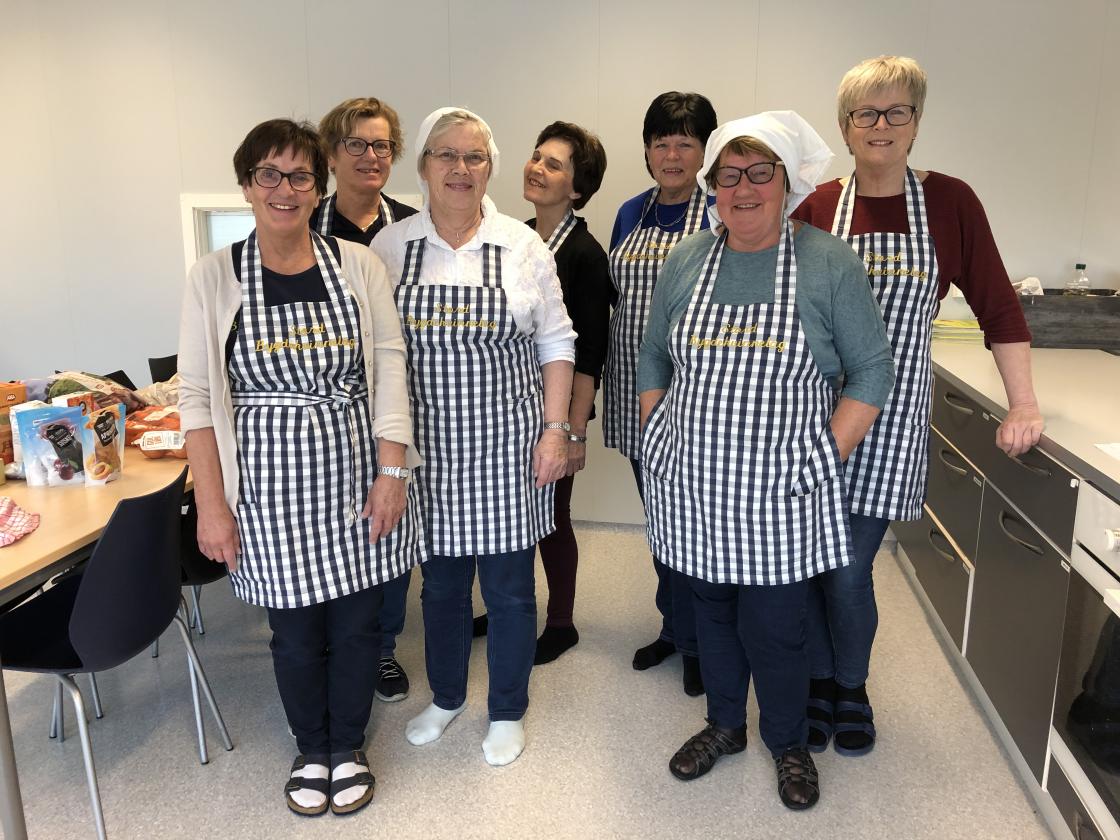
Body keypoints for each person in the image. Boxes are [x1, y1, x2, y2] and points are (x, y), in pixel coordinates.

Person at [637, 112, 895, 809]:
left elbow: (872, 373)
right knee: (712, 614)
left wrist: (823, 455)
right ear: (713, 184)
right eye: (729, 175)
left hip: (783, 488)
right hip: (693, 481)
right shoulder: (687, 259)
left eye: (760, 174)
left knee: (777, 627)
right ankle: (725, 726)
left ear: (787, 183)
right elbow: (655, 351)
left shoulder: (825, 262)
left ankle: (786, 742)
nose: (743, 189)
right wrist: (656, 423)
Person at [792, 55, 1043, 757]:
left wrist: (1023, 403)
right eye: (866, 113)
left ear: (916, 122)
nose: (881, 125)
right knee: (807, 561)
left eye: (897, 111)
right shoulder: (815, 207)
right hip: (815, 413)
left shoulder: (950, 201)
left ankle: (850, 684)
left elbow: (998, 306)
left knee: (846, 567)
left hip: (895, 416)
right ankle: (816, 682)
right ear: (845, 127)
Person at [179, 118, 423, 817]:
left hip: (353, 475)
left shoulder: (359, 265)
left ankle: (346, 747)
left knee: (356, 626)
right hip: (264, 489)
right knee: (293, 632)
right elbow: (196, 399)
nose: (285, 190)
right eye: (269, 175)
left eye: (300, 177)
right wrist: (213, 506)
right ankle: (309, 747)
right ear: (248, 184)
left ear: (319, 187)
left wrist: (392, 473)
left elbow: (389, 369)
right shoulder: (213, 276)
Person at [371, 108, 576, 767]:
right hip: (430, 456)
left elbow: (556, 343)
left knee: (513, 591)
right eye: (446, 156)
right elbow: (377, 355)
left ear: (489, 167)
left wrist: (555, 431)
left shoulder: (522, 245)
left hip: (508, 450)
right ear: (424, 165)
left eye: (475, 158)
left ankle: (508, 708)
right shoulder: (391, 248)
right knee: (441, 590)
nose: (460, 169)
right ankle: (450, 695)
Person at [604, 92, 717, 695]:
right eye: (661, 142)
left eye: (686, 142)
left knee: (693, 522)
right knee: (660, 520)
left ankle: (702, 641)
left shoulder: (721, 212)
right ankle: (674, 628)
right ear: (646, 148)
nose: (672, 155)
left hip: (695, 392)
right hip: (633, 382)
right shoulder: (630, 212)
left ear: (704, 150)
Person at [316, 96, 419, 703]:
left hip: (397, 406)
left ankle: (381, 649)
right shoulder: (306, 223)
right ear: (331, 156)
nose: (371, 156)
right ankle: (331, 641)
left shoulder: (410, 227)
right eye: (356, 144)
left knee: (388, 528)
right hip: (330, 410)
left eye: (382, 145)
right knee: (333, 530)